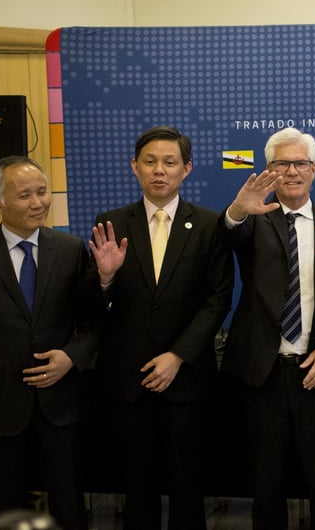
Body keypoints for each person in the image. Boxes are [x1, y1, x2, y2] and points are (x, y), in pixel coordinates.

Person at [219, 128, 315, 530]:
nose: (291, 171)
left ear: (314, 169)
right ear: (269, 169)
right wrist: (237, 211)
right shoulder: (253, 219)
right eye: (281, 163)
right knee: (266, 485)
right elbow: (227, 235)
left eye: (300, 163)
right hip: (263, 374)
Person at [87, 126, 233, 530]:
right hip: (128, 379)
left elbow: (217, 299)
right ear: (134, 167)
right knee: (137, 487)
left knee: (188, 484)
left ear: (186, 169)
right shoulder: (111, 223)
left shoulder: (208, 225)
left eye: (170, 162)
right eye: (150, 162)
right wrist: (103, 279)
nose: (159, 171)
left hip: (187, 379)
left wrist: (178, 355)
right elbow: (91, 307)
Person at [0, 157, 99, 530]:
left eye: (42, 192)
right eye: (24, 195)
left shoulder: (70, 249)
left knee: (69, 505)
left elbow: (92, 324)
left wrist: (70, 357)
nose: (37, 203)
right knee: (0, 508)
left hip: (58, 403)